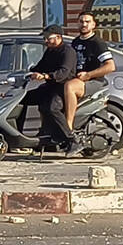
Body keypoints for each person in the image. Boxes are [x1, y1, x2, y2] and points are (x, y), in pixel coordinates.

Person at [25, 25, 82, 156]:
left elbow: (64, 72)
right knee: (24, 99)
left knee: (51, 108)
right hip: (49, 86)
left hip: (62, 87)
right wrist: (29, 72)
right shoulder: (50, 51)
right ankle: (19, 136)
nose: (45, 41)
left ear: (58, 37)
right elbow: (40, 66)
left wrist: (46, 76)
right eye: (45, 38)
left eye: (48, 38)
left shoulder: (68, 52)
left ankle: (72, 140)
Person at [69, 11, 116, 142]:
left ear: (93, 24)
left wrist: (88, 75)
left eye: (87, 21)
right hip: (78, 81)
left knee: (70, 87)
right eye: (81, 21)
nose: (84, 24)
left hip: (94, 82)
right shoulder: (75, 42)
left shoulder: (97, 43)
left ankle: (68, 128)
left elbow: (110, 66)